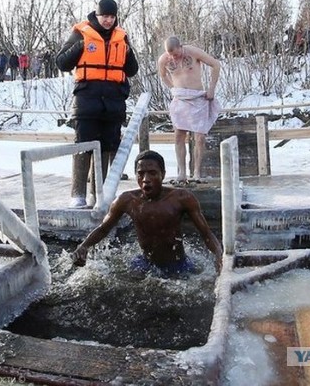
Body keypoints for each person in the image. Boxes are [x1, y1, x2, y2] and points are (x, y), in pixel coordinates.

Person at [72, 150, 222, 276]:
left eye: (152, 173)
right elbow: (103, 228)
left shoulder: (182, 198)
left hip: (178, 265)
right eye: (141, 174)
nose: (146, 179)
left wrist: (219, 255)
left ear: (163, 174)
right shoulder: (127, 200)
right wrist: (84, 246)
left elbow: (206, 234)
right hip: (145, 264)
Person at [56, 0, 139, 208]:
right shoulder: (81, 33)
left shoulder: (122, 37)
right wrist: (80, 47)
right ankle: (77, 194)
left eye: (112, 17)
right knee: (83, 145)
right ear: (97, 15)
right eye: (105, 16)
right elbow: (61, 62)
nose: (108, 20)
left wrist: (128, 54)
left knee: (106, 147)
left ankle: (98, 195)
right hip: (86, 100)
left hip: (113, 102)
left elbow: (132, 70)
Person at [157, 36, 221, 183]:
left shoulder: (193, 52)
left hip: (198, 98)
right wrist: (173, 88)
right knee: (179, 135)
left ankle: (197, 172)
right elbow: (163, 75)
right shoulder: (164, 60)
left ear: (181, 46)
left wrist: (211, 89)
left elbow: (216, 65)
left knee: (200, 137)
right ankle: (182, 173)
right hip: (180, 99)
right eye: (170, 54)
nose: (173, 57)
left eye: (176, 53)